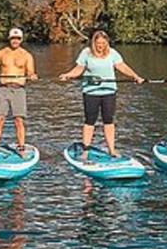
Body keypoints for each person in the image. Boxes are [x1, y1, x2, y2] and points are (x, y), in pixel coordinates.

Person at [59, 30, 145, 158]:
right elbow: (78, 69)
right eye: (98, 43)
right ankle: (86, 150)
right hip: (91, 92)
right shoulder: (86, 53)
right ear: (94, 42)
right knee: (90, 121)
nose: (100, 46)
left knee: (108, 120)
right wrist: (68, 75)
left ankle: (111, 149)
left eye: (103, 43)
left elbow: (122, 66)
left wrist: (135, 76)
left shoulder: (112, 53)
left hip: (109, 92)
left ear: (107, 43)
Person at [0, 27, 37, 156]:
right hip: (3, 89)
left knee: (19, 120)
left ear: (21, 40)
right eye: (13, 38)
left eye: (18, 38)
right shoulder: (2, 53)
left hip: (19, 90)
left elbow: (30, 71)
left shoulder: (26, 55)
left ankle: (21, 149)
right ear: (9, 39)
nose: (15, 41)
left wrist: (32, 75)